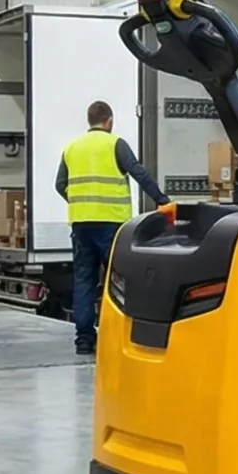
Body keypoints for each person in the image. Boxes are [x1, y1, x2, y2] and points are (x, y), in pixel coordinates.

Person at [57, 100, 163, 355]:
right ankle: (115, 335)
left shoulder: (71, 147)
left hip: (81, 224)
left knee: (83, 279)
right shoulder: (115, 144)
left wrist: (80, 202)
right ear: (109, 120)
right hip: (112, 225)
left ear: (89, 120)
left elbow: (60, 184)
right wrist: (162, 200)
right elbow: (138, 173)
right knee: (118, 280)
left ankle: (83, 339)